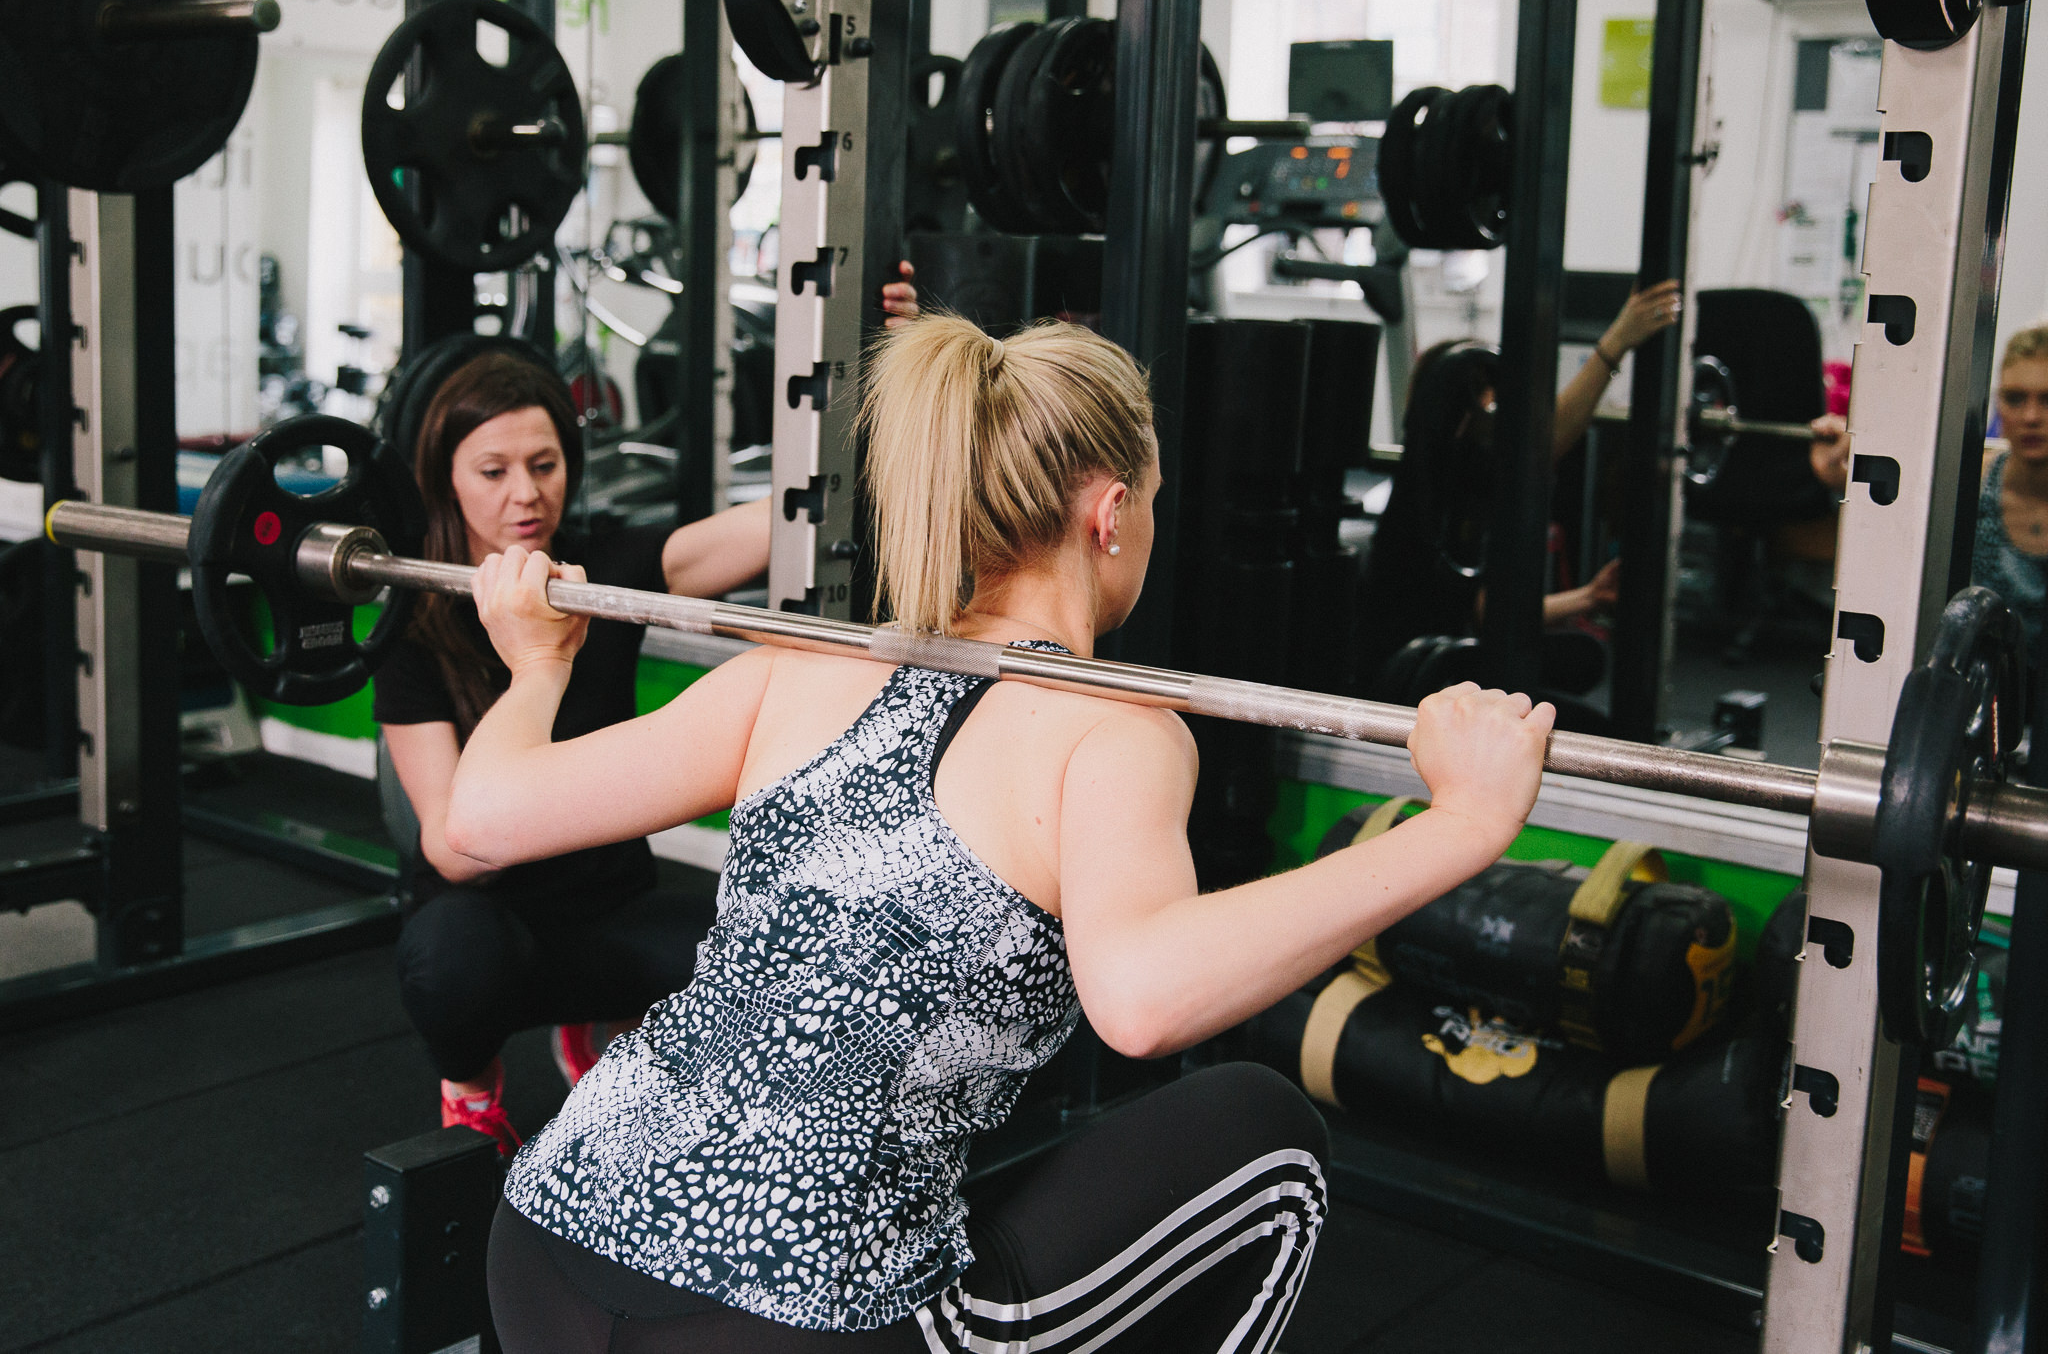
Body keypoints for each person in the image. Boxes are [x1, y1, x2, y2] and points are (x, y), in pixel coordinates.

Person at [441, 313, 1555, 1350]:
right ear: (1109, 513)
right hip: (780, 1324)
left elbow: (481, 817)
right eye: (1153, 500)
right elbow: (1143, 1001)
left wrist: (536, 665)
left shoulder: (806, 666)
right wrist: (1458, 823)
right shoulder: (1115, 729)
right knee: (1269, 1143)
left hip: (542, 1249)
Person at [372, 263, 923, 1154]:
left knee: (769, 949)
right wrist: (534, 656)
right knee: (449, 964)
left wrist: (884, 371)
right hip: (489, 928)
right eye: (495, 470)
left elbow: (794, 517)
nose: (526, 494)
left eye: (545, 465)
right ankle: (470, 1084)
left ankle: (598, 1024)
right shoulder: (417, 627)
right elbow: (450, 844)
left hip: (610, 914)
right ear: (446, 482)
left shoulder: (606, 571)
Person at [1354, 279, 1682, 695]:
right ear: (1462, 415)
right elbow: (1543, 444)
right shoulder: (1438, 493)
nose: (1505, 422)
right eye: (1493, 405)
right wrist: (1615, 343)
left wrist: (1588, 597)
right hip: (1416, 682)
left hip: (1446, 665)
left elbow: (1482, 608)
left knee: (1583, 663)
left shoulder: (1451, 488)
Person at [1811, 323, 2048, 658]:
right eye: (2015, 398)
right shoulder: (1970, 478)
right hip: (1980, 684)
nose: (2031, 416)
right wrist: (1844, 454)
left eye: (2047, 400)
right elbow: (1874, 482)